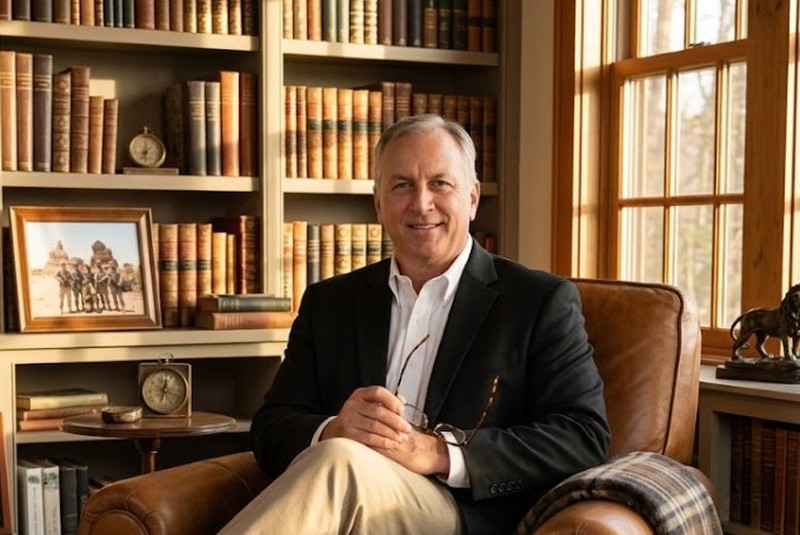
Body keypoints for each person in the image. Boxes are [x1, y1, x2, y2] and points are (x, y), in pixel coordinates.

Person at [220, 114, 611, 535]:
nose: (421, 203)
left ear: (472, 198)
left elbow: (582, 436)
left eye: (440, 184)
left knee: (341, 460)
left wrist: (439, 453)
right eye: (402, 185)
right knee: (340, 455)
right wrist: (335, 429)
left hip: (458, 512)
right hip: (344, 501)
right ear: (378, 204)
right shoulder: (330, 302)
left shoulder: (538, 301)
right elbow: (271, 427)